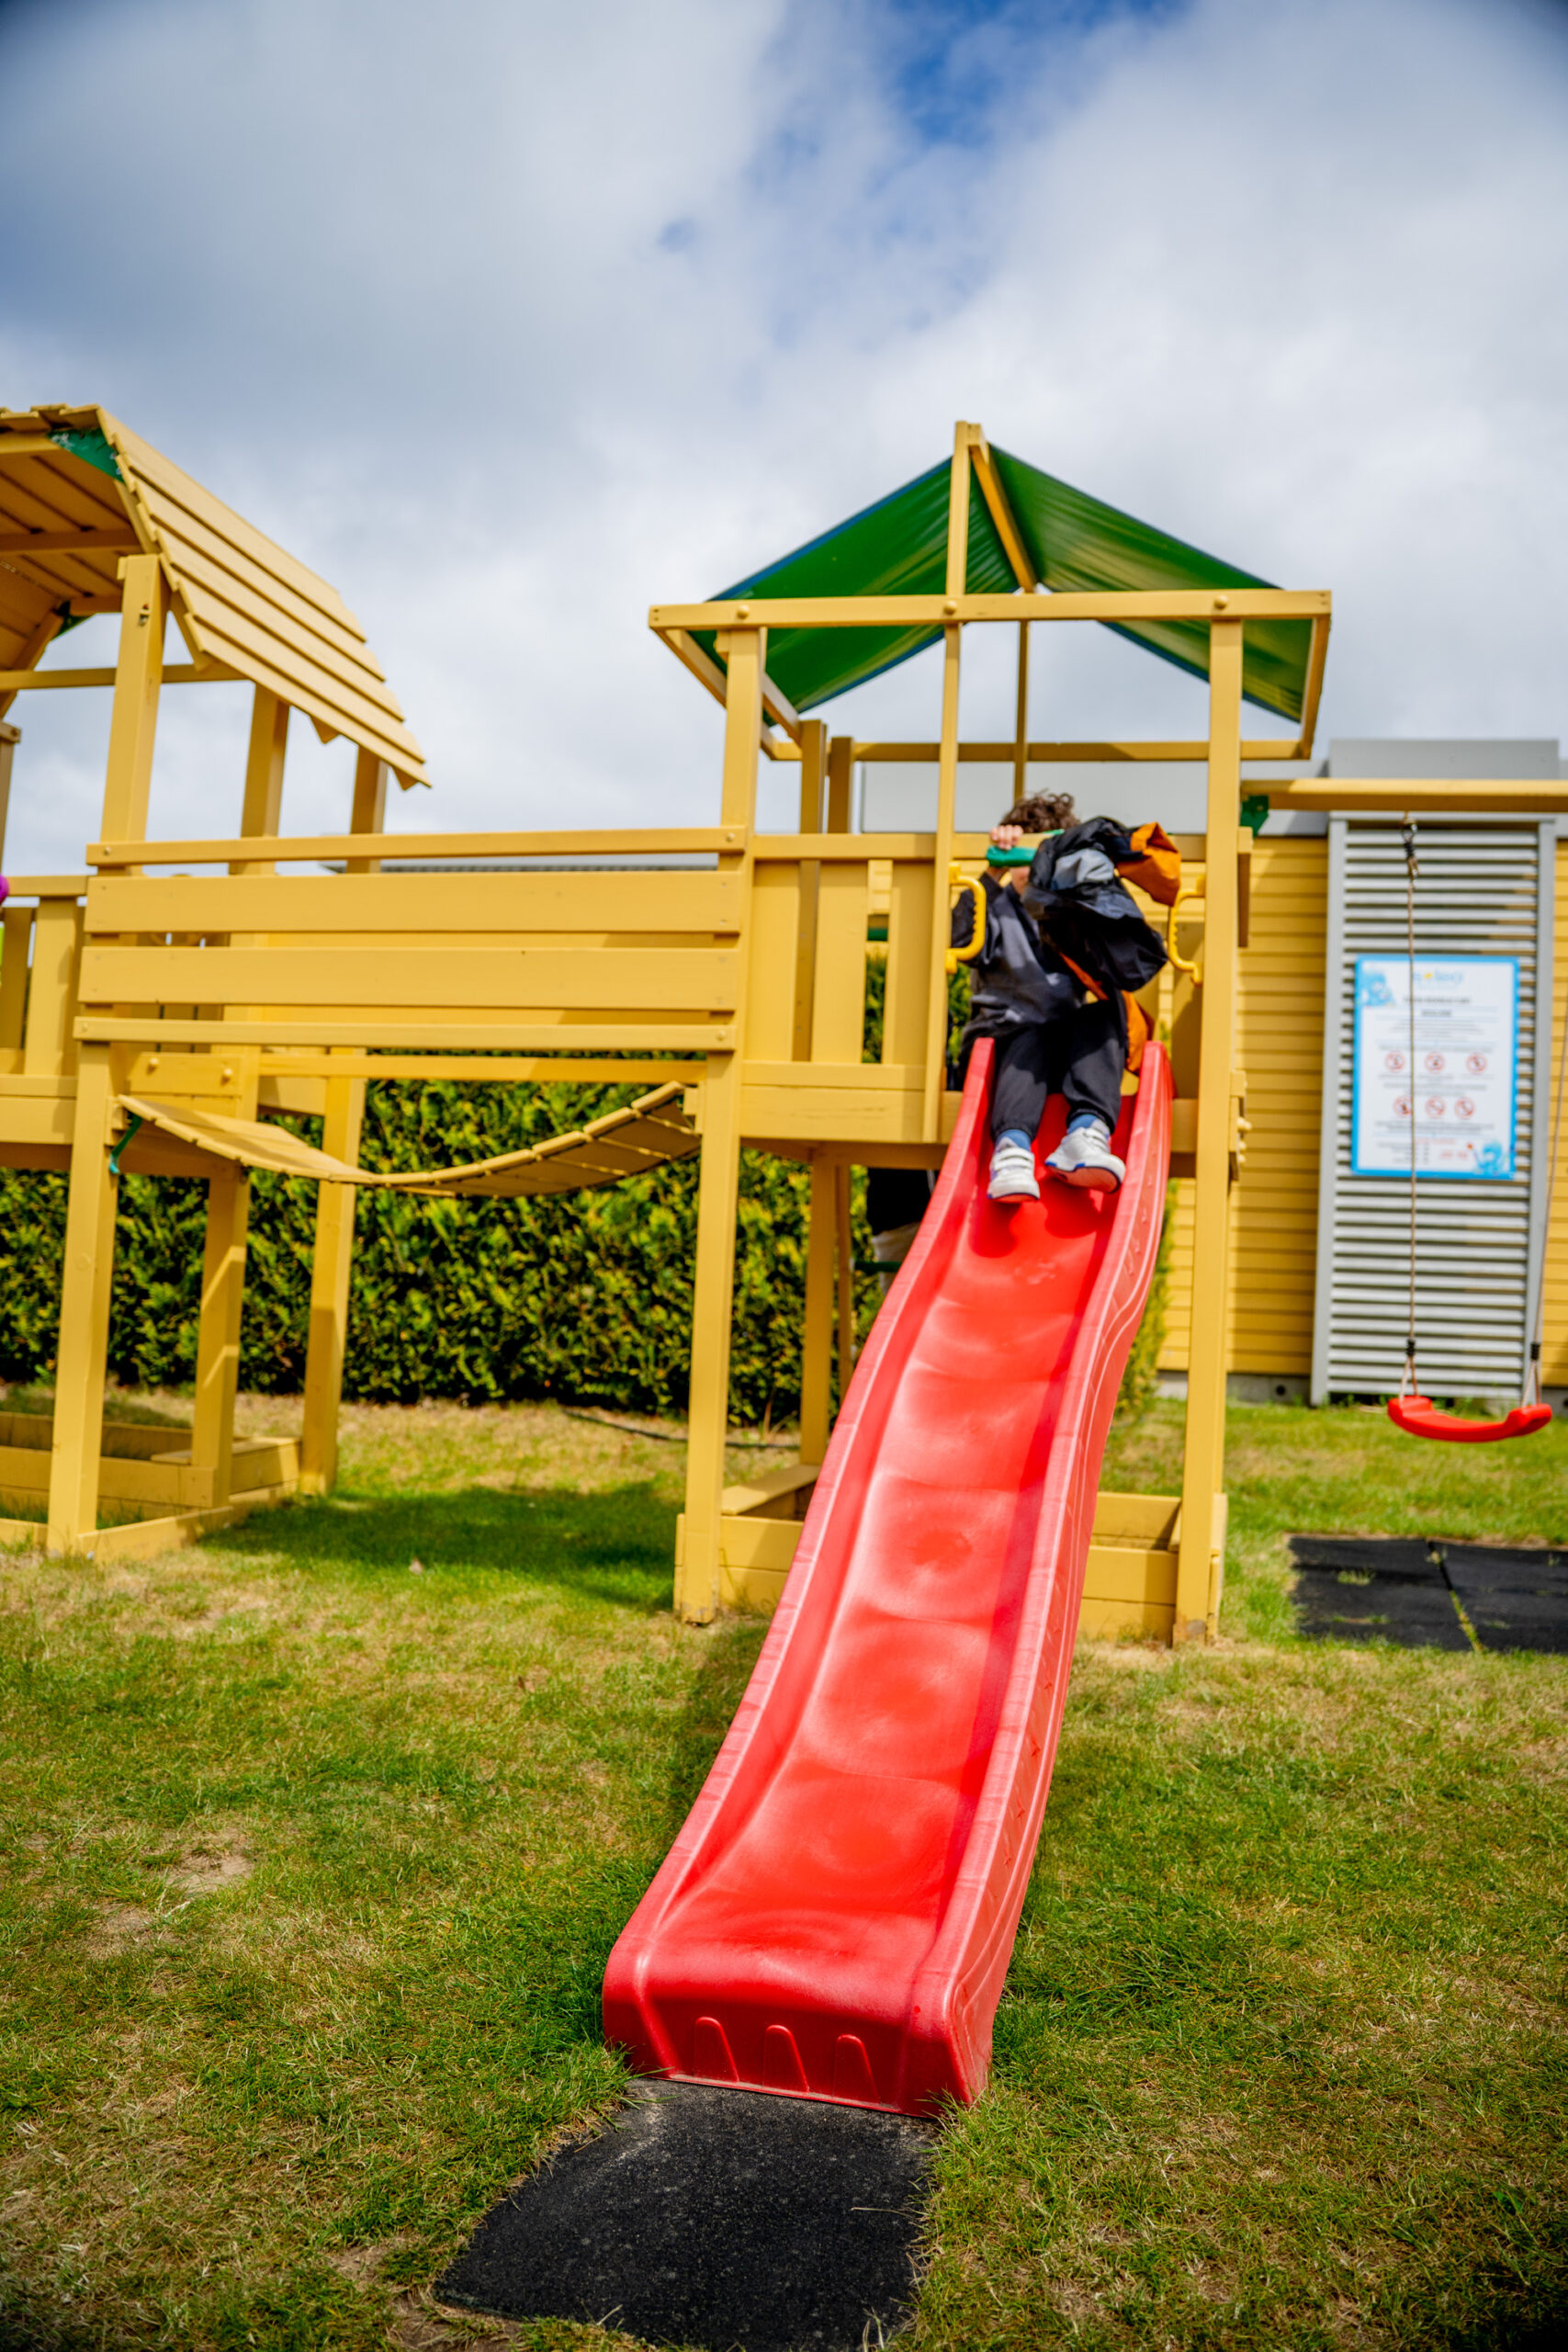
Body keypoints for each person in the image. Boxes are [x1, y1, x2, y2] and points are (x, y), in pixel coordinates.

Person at [951, 789, 1180, 1203]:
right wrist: (991, 870)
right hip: (1006, 1047)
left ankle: (1086, 1133)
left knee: (1104, 1015)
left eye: (1042, 861)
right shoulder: (995, 904)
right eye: (1023, 860)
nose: (1030, 872)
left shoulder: (1066, 912)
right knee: (1033, 1034)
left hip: (1060, 1051)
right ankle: (1012, 1150)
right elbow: (960, 939)